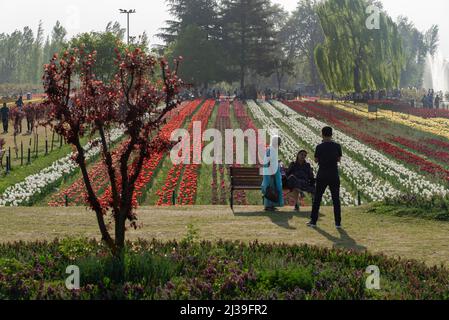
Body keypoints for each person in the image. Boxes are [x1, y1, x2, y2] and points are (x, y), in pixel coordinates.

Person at [308, 127, 342, 229]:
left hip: (322, 174)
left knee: (317, 198)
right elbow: (339, 159)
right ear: (332, 134)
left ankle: (313, 221)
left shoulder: (319, 147)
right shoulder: (337, 146)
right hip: (334, 174)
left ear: (322, 134)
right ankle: (338, 223)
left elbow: (316, 160)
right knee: (336, 199)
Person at [261, 136, 284, 212]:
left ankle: (272, 205)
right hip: (271, 172)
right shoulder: (271, 150)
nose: (279, 144)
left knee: (272, 187)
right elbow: (268, 161)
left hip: (272, 172)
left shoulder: (272, 149)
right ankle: (268, 206)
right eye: (278, 142)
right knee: (270, 187)